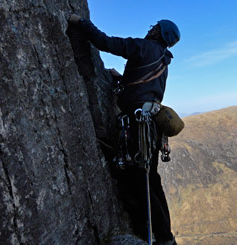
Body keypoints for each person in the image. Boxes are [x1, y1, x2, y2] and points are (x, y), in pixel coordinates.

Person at [68, 14, 180, 245]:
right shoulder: (162, 59)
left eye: (155, 27)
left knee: (141, 181)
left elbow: (105, 42)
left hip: (138, 125)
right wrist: (122, 80)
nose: (150, 29)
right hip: (151, 127)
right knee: (152, 179)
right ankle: (165, 236)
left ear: (159, 33)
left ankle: (162, 237)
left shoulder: (144, 47)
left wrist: (81, 23)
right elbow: (143, 87)